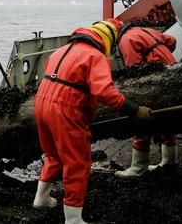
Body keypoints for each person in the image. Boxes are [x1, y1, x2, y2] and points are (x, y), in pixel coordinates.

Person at [32, 19, 152, 224]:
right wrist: (134, 110)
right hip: (65, 110)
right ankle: (73, 219)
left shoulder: (61, 50)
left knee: (52, 155)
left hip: (41, 104)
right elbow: (104, 91)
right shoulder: (95, 56)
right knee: (77, 162)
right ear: (107, 41)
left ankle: (41, 198)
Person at [114, 23, 177, 178]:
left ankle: (138, 168)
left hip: (157, 81)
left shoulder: (126, 40)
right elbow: (172, 41)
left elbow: (134, 69)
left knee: (141, 121)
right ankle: (169, 162)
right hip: (172, 73)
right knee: (167, 122)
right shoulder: (148, 30)